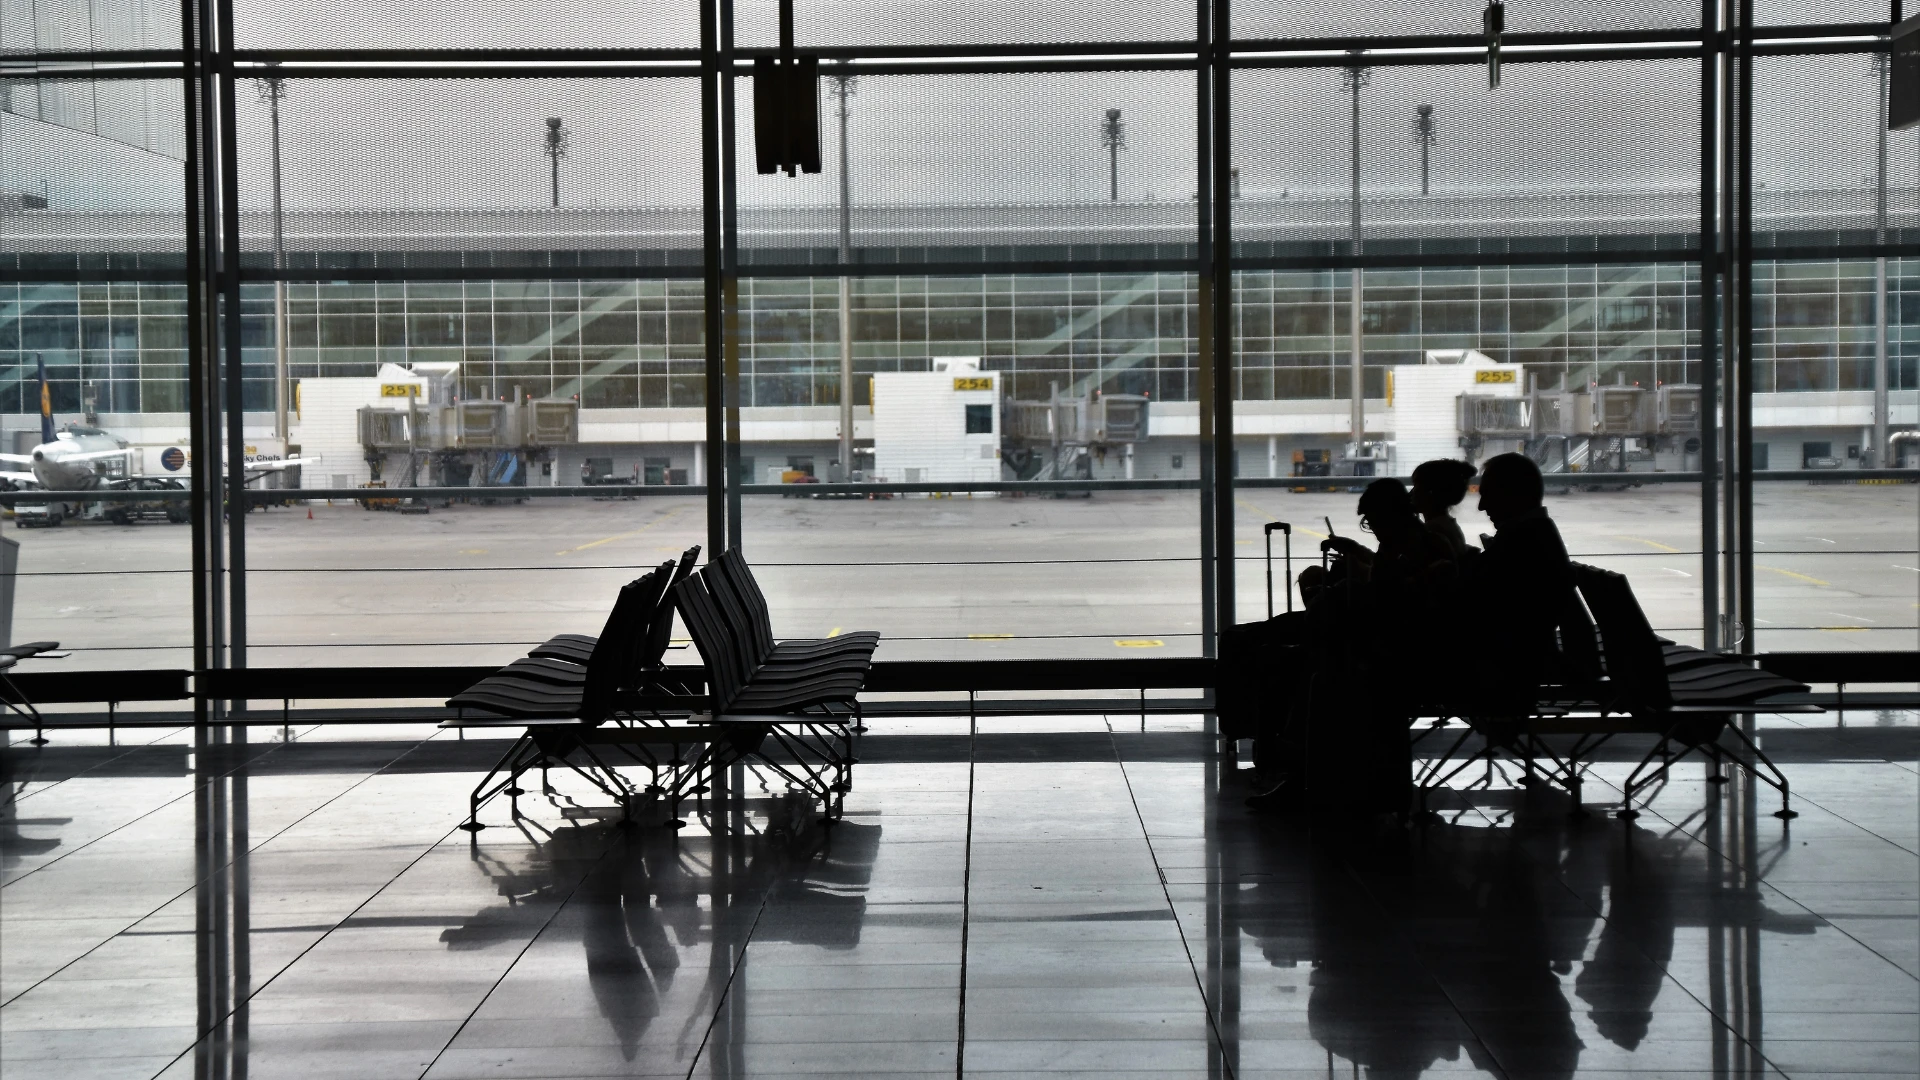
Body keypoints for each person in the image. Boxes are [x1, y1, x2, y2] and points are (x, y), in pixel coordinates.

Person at [1469, 452, 1574, 701]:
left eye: (1488, 495)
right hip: (1522, 655)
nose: (1482, 506)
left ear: (1512, 495)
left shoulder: (1520, 541)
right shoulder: (1532, 534)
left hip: (1511, 664)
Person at [1410, 458, 1479, 559]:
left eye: (1416, 486)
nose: (1411, 492)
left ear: (1430, 492)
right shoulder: (1446, 525)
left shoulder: (1433, 531)